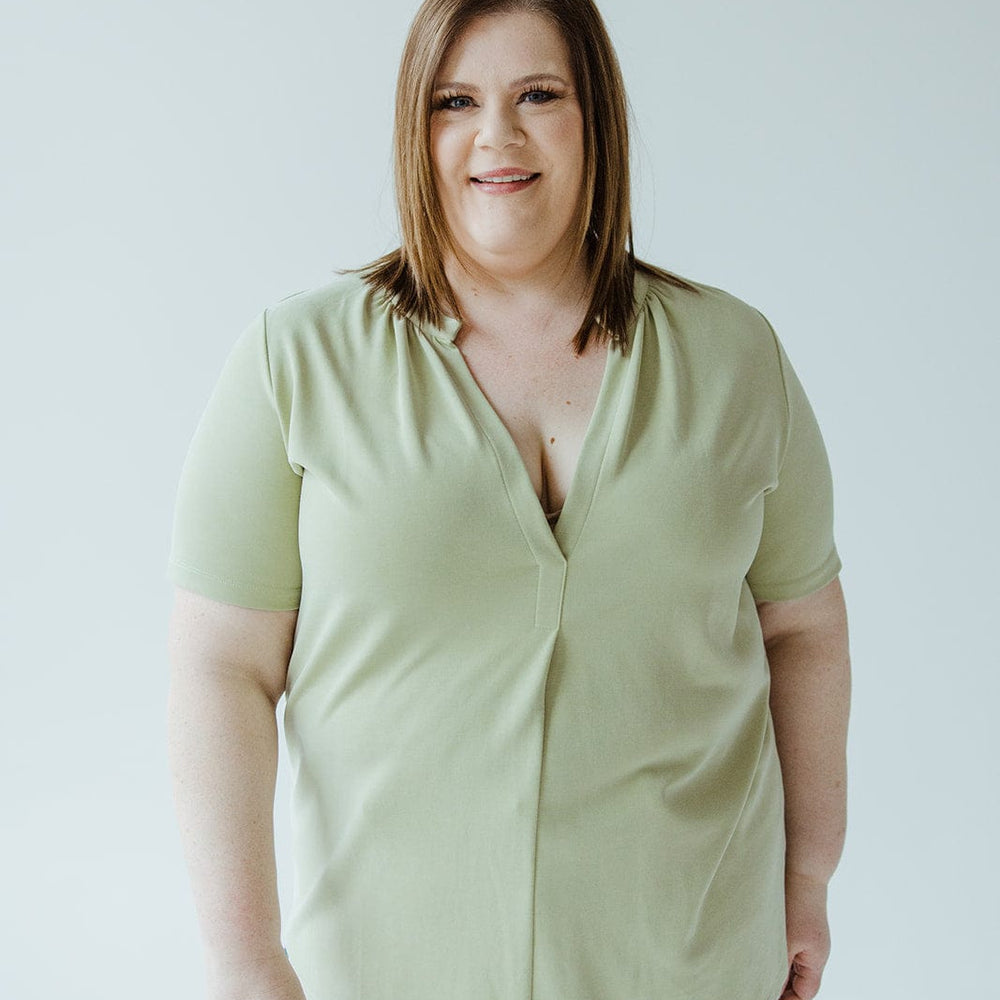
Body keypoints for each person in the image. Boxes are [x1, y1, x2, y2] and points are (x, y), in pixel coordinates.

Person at [166, 1, 851, 998]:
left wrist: (806, 874)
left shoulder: (736, 358)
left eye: (540, 94)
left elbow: (803, 629)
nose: (498, 135)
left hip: (691, 962)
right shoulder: (295, 363)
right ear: (417, 126)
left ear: (595, 120)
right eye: (456, 101)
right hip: (377, 972)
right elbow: (219, 667)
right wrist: (244, 958)